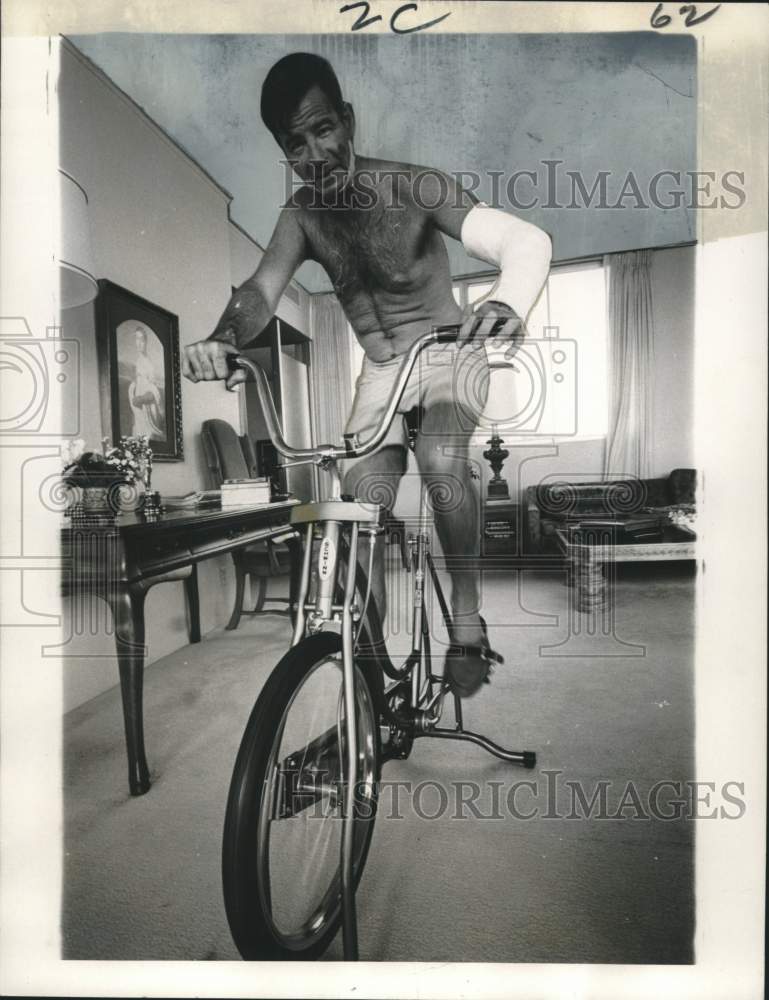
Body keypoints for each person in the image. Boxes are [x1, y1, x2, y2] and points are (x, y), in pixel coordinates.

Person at [182, 52, 551, 696]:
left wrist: (510, 298)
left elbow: (524, 242)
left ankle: (467, 618)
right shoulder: (301, 216)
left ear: (347, 120)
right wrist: (222, 337)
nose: (315, 154)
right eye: (295, 144)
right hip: (380, 372)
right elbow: (260, 293)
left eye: (323, 129)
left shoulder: (414, 186)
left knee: (441, 462)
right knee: (355, 509)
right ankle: (370, 664)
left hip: (443, 353)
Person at [128, 326, 164, 440]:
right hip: (139, 408)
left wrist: (142, 398)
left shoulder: (149, 363)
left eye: (142, 340)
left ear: (146, 342)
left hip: (148, 406)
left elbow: (154, 388)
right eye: (137, 339)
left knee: (147, 438)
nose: (139, 343)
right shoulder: (138, 360)